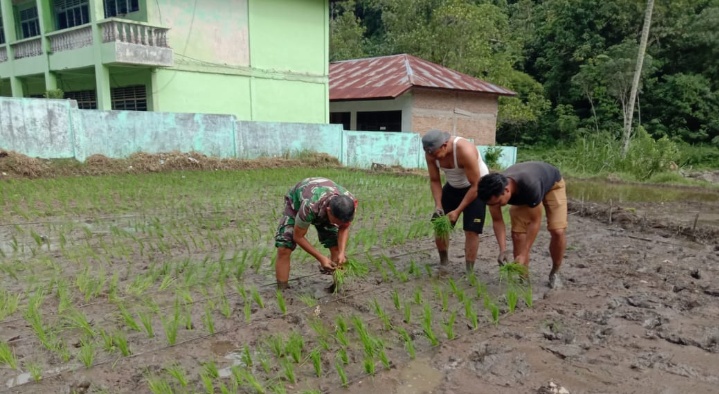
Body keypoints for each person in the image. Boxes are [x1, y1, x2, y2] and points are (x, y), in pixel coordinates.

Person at [476, 161, 567, 288]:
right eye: (491, 204)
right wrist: (503, 250)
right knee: (518, 235)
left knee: (557, 230)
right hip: (523, 192)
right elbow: (497, 221)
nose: (495, 206)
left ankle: (555, 272)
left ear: (506, 190)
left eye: (498, 202)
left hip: (552, 184)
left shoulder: (530, 186)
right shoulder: (493, 195)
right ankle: (523, 279)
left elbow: (534, 222)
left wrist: (524, 253)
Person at [422, 129, 490, 274]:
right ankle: (444, 262)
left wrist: (457, 211)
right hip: (453, 186)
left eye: (434, 153)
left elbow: (475, 185)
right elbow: (435, 180)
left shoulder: (464, 150)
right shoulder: (431, 154)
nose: (432, 157)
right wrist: (438, 205)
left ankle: (469, 271)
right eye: (429, 153)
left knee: (471, 230)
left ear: (444, 145)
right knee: (440, 224)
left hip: (476, 186)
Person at [273, 177, 357, 290]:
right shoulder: (309, 207)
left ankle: (337, 287)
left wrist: (342, 252)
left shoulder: (349, 205)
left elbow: (344, 227)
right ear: (328, 211)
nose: (338, 225)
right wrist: (321, 258)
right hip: (298, 202)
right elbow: (298, 236)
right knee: (284, 247)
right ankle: (282, 290)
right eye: (337, 222)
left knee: (336, 247)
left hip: (325, 205)